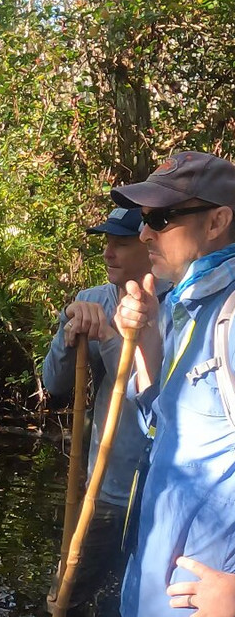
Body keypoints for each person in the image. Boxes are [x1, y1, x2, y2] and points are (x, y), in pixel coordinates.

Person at [111, 151, 235, 617]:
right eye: (143, 220)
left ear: (218, 220)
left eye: (160, 219)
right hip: (157, 585)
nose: (143, 234)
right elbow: (164, 426)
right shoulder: (188, 306)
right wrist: (145, 335)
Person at [42, 207, 157, 616]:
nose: (108, 252)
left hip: (155, 497)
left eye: (121, 243)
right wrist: (67, 332)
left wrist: (109, 337)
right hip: (102, 492)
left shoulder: (175, 305)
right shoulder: (91, 298)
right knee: (65, 600)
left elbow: (156, 400)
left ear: (148, 244)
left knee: (131, 605)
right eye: (106, 242)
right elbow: (54, 385)